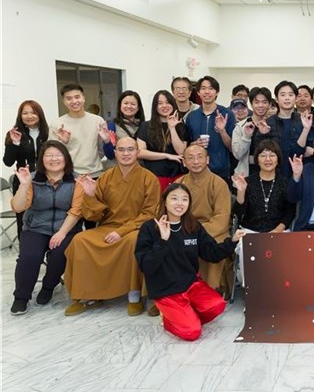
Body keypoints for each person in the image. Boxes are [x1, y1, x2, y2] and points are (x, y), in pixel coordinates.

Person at [135, 183, 246, 341]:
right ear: (165, 201)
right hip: (166, 290)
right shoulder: (150, 228)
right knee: (192, 332)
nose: (180, 203)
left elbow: (211, 253)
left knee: (217, 305)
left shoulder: (193, 226)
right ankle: (169, 319)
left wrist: (233, 240)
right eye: (174, 198)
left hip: (190, 284)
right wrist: (163, 241)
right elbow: (146, 265)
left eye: (184, 199)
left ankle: (185, 314)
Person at [63, 137, 160, 316]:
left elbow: (149, 214)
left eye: (130, 149)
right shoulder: (106, 177)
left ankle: (134, 295)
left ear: (138, 152)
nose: (125, 153)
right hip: (108, 226)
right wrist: (90, 195)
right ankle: (88, 294)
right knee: (80, 240)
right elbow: (94, 214)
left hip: (136, 228)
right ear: (114, 153)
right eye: (121, 150)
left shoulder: (149, 178)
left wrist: (121, 231)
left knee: (132, 242)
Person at [9, 142, 83, 315]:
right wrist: (25, 184)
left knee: (60, 254)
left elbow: (76, 210)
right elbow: (18, 207)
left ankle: (49, 286)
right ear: (42, 159)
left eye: (58, 155)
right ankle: (21, 297)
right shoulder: (32, 179)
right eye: (49, 155)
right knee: (30, 256)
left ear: (66, 158)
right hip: (36, 227)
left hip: (66, 227)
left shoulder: (76, 179)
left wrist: (62, 233)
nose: (54, 159)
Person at [175, 145, 234, 295]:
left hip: (213, 230)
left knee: (215, 247)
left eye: (200, 157)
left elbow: (222, 217)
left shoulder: (218, 183)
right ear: (184, 162)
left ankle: (212, 291)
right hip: (185, 230)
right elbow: (171, 213)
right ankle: (172, 293)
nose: (196, 161)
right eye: (190, 158)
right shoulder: (179, 184)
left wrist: (197, 233)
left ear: (207, 160)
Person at [5, 100, 49, 236]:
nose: (29, 116)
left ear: (39, 115)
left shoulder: (47, 132)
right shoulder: (14, 133)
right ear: (20, 115)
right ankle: (25, 250)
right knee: (23, 218)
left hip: (45, 180)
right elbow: (8, 161)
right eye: (25, 113)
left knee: (45, 215)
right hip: (23, 182)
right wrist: (15, 143)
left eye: (33, 112)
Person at [231, 139, 295, 233]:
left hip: (279, 233)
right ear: (257, 160)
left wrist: (276, 231)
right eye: (263, 156)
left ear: (278, 160)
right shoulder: (247, 182)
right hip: (250, 232)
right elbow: (238, 213)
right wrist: (241, 192)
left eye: (272, 155)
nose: (268, 159)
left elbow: (290, 212)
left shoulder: (285, 183)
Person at [50, 83, 109, 179]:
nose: (74, 101)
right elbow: (53, 154)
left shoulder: (97, 121)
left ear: (83, 98)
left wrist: (93, 161)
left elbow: (102, 148)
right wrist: (63, 142)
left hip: (95, 174)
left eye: (77, 97)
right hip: (69, 175)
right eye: (68, 98)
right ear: (64, 101)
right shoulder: (57, 125)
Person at [183, 75, 236, 181]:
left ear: (217, 92)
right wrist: (194, 144)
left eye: (211, 88)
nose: (207, 92)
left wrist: (222, 131)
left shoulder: (227, 114)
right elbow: (186, 146)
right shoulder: (191, 116)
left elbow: (232, 147)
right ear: (198, 92)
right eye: (203, 88)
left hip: (221, 170)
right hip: (196, 170)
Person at [136, 90, 190, 191]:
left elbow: (181, 151)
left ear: (173, 104)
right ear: (155, 107)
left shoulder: (181, 127)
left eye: (168, 102)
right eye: (160, 103)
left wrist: (172, 128)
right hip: (154, 176)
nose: (164, 106)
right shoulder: (145, 126)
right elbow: (140, 152)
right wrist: (167, 156)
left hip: (178, 176)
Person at [231, 87, 273, 176]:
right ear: (251, 104)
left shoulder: (274, 125)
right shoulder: (240, 126)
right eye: (256, 102)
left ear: (269, 104)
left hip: (270, 175)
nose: (260, 105)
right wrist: (246, 137)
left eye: (264, 102)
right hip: (245, 176)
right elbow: (237, 154)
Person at [271, 80, 300, 177]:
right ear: (276, 98)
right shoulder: (269, 123)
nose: (287, 98)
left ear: (296, 98)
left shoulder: (304, 121)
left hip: (299, 172)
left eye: (290, 95)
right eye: (283, 95)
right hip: (275, 173)